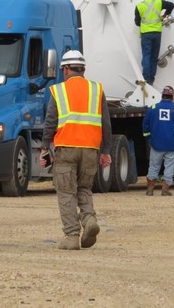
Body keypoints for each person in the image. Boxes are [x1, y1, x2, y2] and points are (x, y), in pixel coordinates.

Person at [40, 49, 112, 250]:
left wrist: (45, 147)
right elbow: (106, 123)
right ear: (83, 70)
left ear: (65, 69)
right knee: (84, 188)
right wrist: (106, 151)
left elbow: (50, 121)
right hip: (90, 149)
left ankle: (72, 237)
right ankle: (89, 220)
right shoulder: (97, 89)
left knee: (66, 192)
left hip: (66, 149)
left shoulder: (58, 90)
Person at [142, 85, 174, 196]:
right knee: (169, 167)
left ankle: (150, 190)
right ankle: (165, 190)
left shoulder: (153, 108)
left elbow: (145, 124)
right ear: (172, 97)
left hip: (156, 143)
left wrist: (149, 137)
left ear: (162, 96)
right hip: (173, 143)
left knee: (154, 166)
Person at [134, 0, 174, 86]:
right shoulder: (158, 2)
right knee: (154, 56)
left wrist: (144, 23)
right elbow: (171, 5)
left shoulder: (139, 6)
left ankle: (146, 78)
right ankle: (151, 79)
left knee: (146, 55)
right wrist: (164, 16)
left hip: (145, 33)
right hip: (157, 32)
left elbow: (137, 22)